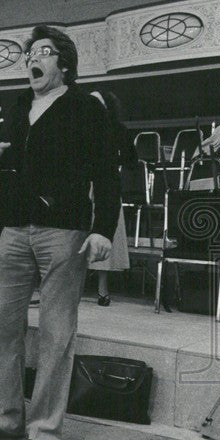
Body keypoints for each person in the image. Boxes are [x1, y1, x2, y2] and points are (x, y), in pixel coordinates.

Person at [0, 24, 118, 440]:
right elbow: (23, 160)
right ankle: (8, 413)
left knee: (56, 333)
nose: (34, 59)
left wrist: (102, 228)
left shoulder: (84, 107)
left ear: (64, 64)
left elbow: (107, 171)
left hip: (64, 230)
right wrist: (1, 155)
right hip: (14, 228)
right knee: (2, 326)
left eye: (45, 51)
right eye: (30, 53)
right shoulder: (19, 107)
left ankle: (46, 428)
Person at [88, 90, 136, 306]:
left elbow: (131, 160)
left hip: (106, 187)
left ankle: (102, 288)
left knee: (106, 231)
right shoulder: (78, 128)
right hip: (81, 186)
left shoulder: (118, 130)